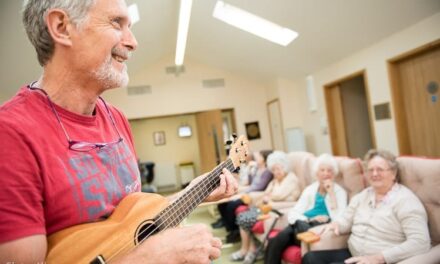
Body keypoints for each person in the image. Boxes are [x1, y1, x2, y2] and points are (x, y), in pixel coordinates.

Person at [0, 1, 238, 263]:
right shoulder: (10, 133)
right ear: (62, 27)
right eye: (117, 23)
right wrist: (152, 256)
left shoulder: (116, 119)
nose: (133, 42)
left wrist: (193, 192)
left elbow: (124, 223)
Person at [302, 149, 431, 264]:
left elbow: (420, 242)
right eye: (370, 170)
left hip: (380, 260)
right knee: (310, 258)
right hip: (354, 254)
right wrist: (336, 224)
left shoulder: (406, 201)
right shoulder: (363, 195)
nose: (374, 174)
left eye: (380, 169)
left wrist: (379, 258)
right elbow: (346, 219)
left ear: (393, 173)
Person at [264, 153, 347, 264]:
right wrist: (309, 219)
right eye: (322, 170)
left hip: (317, 229)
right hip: (303, 224)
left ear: (334, 174)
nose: (326, 173)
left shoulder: (339, 192)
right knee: (276, 240)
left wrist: (331, 193)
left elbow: (339, 218)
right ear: (316, 173)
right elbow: (294, 213)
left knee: (289, 231)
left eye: (329, 170)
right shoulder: (310, 189)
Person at [231, 151, 301, 263]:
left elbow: (278, 195)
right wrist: (267, 197)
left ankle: (248, 250)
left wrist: (269, 198)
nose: (276, 172)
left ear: (285, 167)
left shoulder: (291, 178)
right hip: (266, 207)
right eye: (274, 170)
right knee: (242, 217)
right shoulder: (276, 180)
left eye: (278, 169)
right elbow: (266, 193)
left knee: (245, 218)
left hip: (277, 210)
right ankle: (250, 249)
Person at [213, 150, 273, 243]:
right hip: (248, 191)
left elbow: (259, 187)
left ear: (265, 159)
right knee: (221, 205)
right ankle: (229, 229)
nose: (256, 158)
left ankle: (234, 231)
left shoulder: (267, 172)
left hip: (252, 195)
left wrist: (241, 192)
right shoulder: (256, 168)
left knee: (231, 205)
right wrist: (250, 171)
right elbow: (250, 182)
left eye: (259, 156)